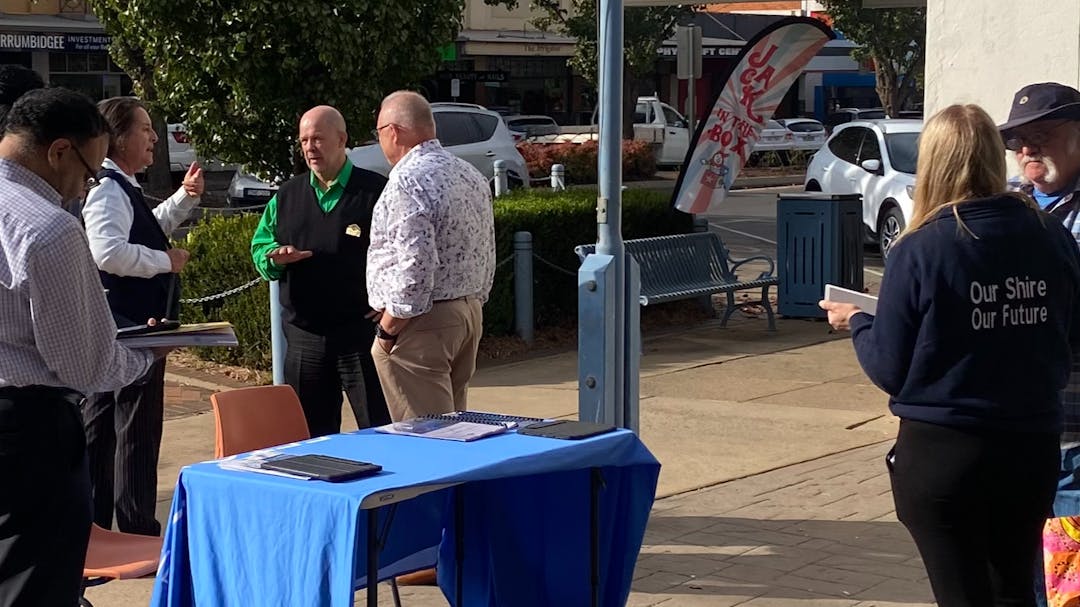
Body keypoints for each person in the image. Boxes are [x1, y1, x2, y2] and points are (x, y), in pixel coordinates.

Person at [819, 103, 1080, 607]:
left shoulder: (921, 247)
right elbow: (1069, 334)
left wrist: (858, 322)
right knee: (1016, 589)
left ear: (933, 162)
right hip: (1031, 447)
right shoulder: (1050, 235)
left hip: (945, 453)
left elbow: (890, 367)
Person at [0, 87, 165, 607]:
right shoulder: (50, 228)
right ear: (59, 152)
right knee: (35, 585)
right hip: (27, 433)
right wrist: (146, 355)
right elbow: (87, 367)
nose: (85, 189)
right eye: (90, 173)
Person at [78, 96, 204, 537]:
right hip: (130, 331)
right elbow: (108, 251)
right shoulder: (108, 188)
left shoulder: (120, 186)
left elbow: (143, 227)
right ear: (118, 137)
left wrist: (184, 199)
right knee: (133, 432)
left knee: (110, 429)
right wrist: (164, 261)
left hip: (129, 329)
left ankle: (99, 530)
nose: (154, 138)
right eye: (145, 128)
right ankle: (134, 533)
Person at [250, 105, 391, 437]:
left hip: (361, 335)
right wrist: (274, 258)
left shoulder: (376, 191)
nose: (310, 148)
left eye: (317, 139)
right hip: (305, 337)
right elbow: (260, 247)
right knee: (310, 438)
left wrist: (390, 301)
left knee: (382, 430)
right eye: (304, 141)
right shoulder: (286, 196)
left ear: (341, 140)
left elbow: (401, 251)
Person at [367, 91, 495, 421]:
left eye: (378, 132)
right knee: (454, 428)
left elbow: (416, 265)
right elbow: (487, 248)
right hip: (467, 312)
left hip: (424, 320)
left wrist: (389, 328)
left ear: (393, 132)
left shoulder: (407, 180)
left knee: (429, 436)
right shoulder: (468, 173)